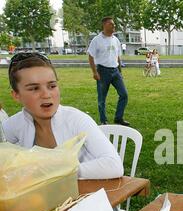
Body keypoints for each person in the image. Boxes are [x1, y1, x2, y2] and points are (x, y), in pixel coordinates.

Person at [2, 52, 124, 180]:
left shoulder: (76, 120)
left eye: (52, 86)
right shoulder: (15, 124)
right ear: (16, 95)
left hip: (89, 195)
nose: (46, 94)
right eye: (34, 88)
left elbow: (114, 165)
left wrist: (58, 171)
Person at [87, 17, 130, 126]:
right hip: (102, 71)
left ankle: (118, 118)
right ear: (105, 25)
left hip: (115, 71)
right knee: (102, 98)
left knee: (124, 94)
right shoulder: (97, 40)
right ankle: (103, 120)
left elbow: (118, 57)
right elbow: (91, 56)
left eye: (114, 25)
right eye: (111, 24)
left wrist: (120, 72)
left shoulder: (116, 40)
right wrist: (94, 72)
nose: (114, 26)